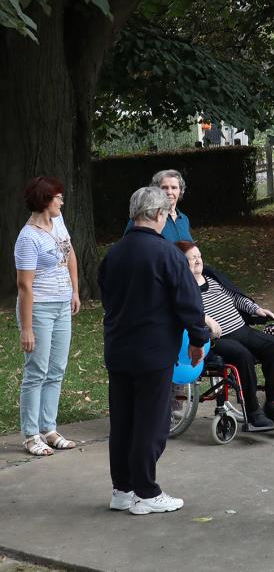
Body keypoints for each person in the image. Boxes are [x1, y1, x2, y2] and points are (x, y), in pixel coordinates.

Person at [100, 186, 210, 516]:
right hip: (153, 350)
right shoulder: (166, 254)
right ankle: (146, 490)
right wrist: (197, 338)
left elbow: (107, 295)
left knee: (123, 421)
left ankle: (122, 488)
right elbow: (188, 302)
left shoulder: (114, 253)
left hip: (119, 347)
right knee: (152, 421)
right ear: (159, 214)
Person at [175, 241, 274, 430]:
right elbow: (183, 311)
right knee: (242, 354)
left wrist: (256, 309)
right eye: (192, 258)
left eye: (199, 256)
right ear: (181, 262)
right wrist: (205, 320)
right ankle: (253, 411)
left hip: (240, 329)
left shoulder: (212, 279)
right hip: (215, 340)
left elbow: (237, 298)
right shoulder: (181, 288)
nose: (198, 260)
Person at [14, 176, 81, 457]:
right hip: (39, 308)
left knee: (56, 370)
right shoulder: (28, 238)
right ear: (45, 200)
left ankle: (49, 429)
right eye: (58, 197)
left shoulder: (58, 221)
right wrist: (27, 328)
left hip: (62, 305)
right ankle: (31, 435)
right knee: (36, 372)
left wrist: (74, 291)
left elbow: (70, 253)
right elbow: (24, 285)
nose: (62, 202)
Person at [124, 169, 192, 242]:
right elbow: (129, 244)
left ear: (180, 191)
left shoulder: (184, 219)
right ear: (155, 190)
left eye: (174, 188)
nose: (169, 192)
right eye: (164, 188)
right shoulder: (143, 217)